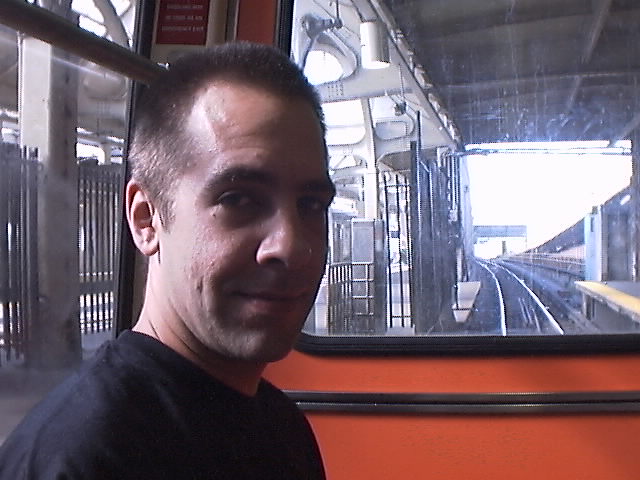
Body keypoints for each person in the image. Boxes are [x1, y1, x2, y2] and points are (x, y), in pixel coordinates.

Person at [0, 41, 334, 479]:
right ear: (146, 220)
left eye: (311, 205)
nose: (289, 247)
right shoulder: (79, 459)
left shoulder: (280, 425)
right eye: (238, 199)